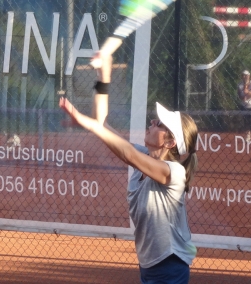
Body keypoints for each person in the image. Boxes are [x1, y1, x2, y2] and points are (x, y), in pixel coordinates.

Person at [59, 51, 199, 283]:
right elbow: (101, 123)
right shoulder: (145, 157)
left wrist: (91, 126)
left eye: (159, 124)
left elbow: (127, 153)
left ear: (170, 142)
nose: (152, 122)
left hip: (171, 266)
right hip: (149, 266)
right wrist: (104, 77)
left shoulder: (174, 172)